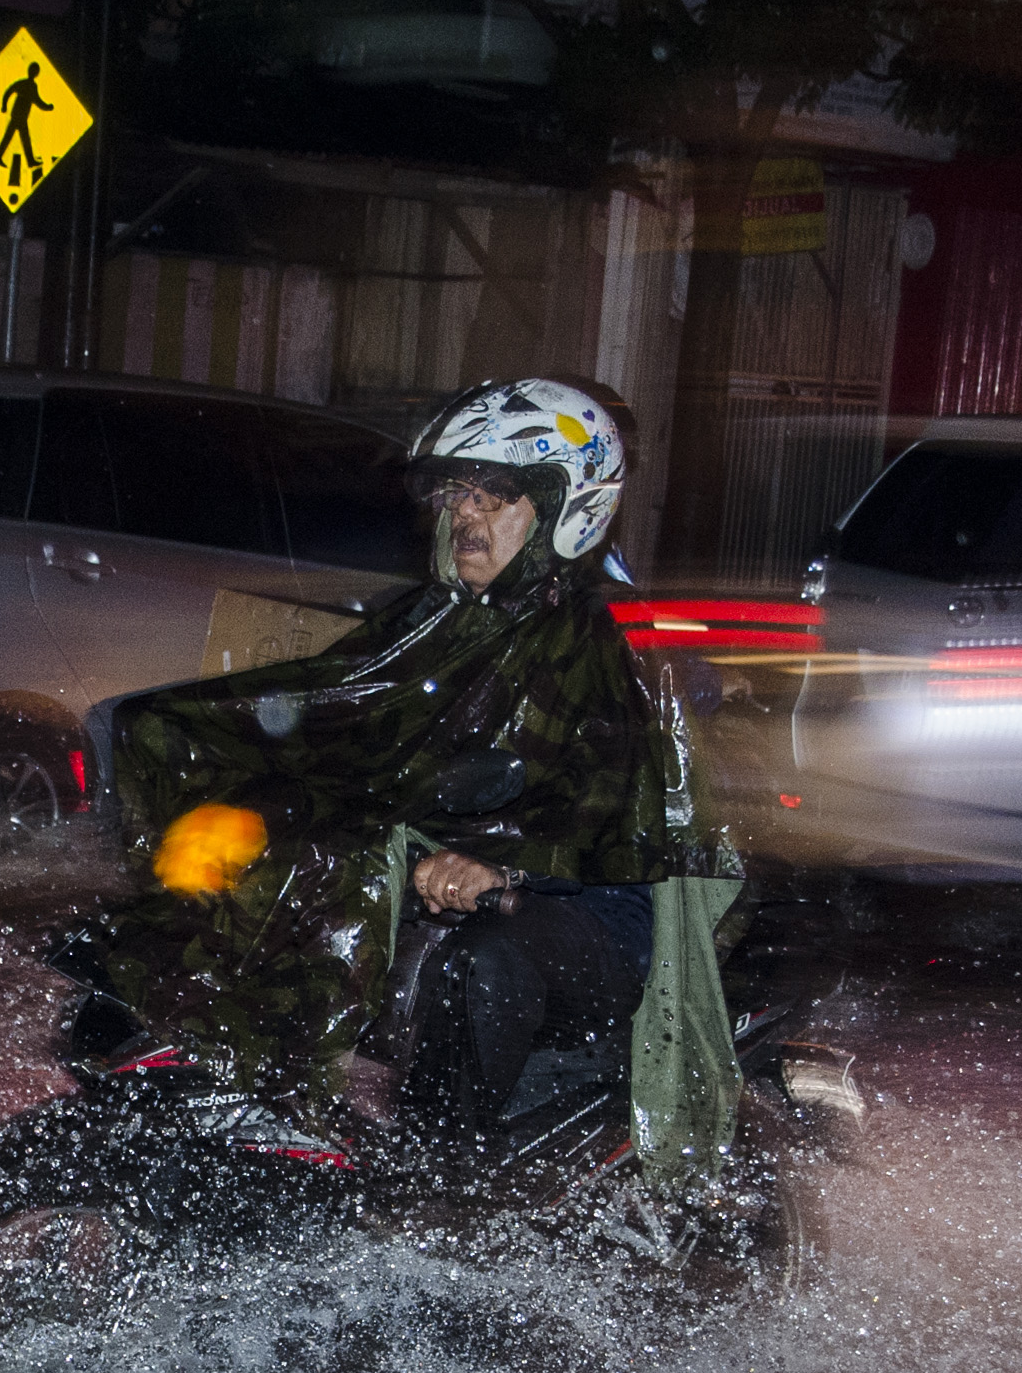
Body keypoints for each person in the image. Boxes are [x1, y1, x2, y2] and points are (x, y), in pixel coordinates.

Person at [90, 378, 745, 1168]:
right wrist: (218, 759)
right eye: (457, 494)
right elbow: (336, 718)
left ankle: (442, 1192)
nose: (464, 514)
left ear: (566, 503)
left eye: (493, 494)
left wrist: (508, 866)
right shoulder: (435, 621)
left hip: (600, 912)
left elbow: (603, 810)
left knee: (483, 958)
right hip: (454, 869)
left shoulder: (610, 641)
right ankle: (264, 1108)